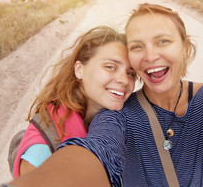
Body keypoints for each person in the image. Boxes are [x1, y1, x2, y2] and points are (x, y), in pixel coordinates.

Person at [8, 3, 203, 187]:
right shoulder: (116, 115)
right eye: (138, 46)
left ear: (185, 48)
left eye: (163, 41)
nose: (150, 55)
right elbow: (99, 150)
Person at [11, 26, 136, 178]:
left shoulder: (121, 120)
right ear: (79, 70)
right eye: (110, 67)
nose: (124, 80)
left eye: (130, 73)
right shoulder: (41, 151)